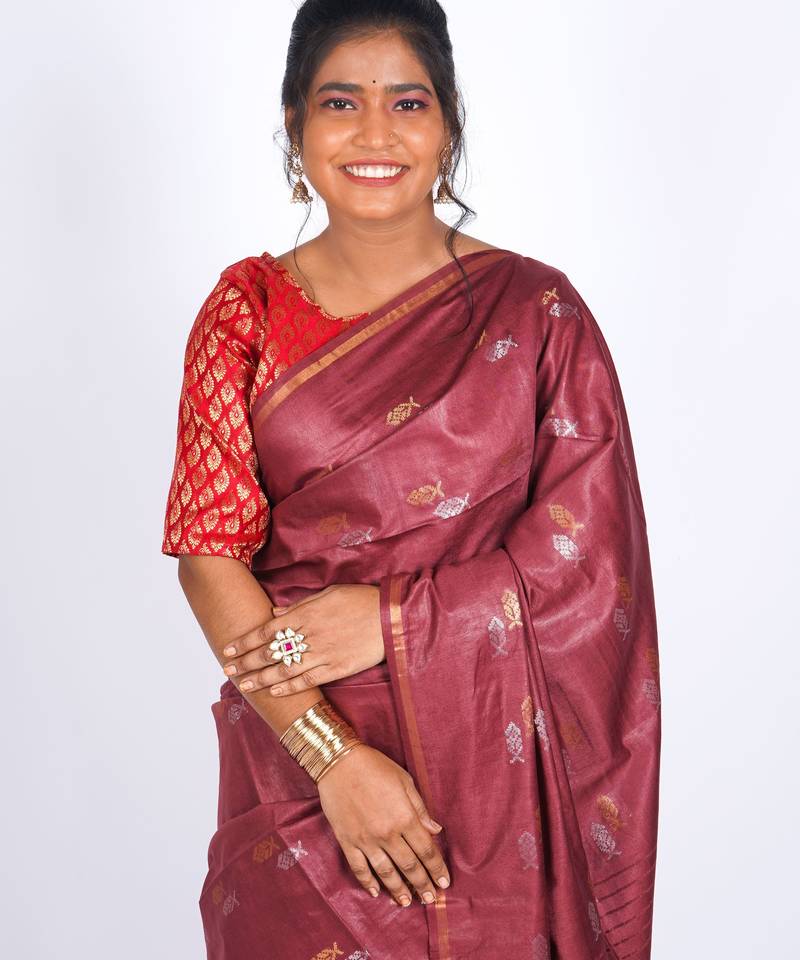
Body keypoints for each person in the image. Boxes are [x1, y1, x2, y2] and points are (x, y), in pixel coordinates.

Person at [160, 2, 661, 958]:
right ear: (295, 125)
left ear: (449, 123)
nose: (375, 134)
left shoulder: (539, 312)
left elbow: (594, 569)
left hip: (499, 776)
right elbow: (207, 554)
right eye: (340, 102)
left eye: (408, 102)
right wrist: (333, 759)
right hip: (301, 771)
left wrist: (391, 620)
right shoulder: (245, 310)